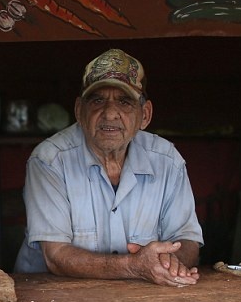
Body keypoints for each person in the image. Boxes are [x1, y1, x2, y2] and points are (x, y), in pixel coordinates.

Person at [13, 48, 204, 287]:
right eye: (98, 100)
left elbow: (186, 239)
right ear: (79, 111)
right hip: (52, 297)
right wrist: (134, 266)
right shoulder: (50, 160)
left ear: (145, 115)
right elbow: (56, 256)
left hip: (139, 297)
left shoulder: (167, 160)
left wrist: (170, 263)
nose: (110, 113)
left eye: (124, 102)